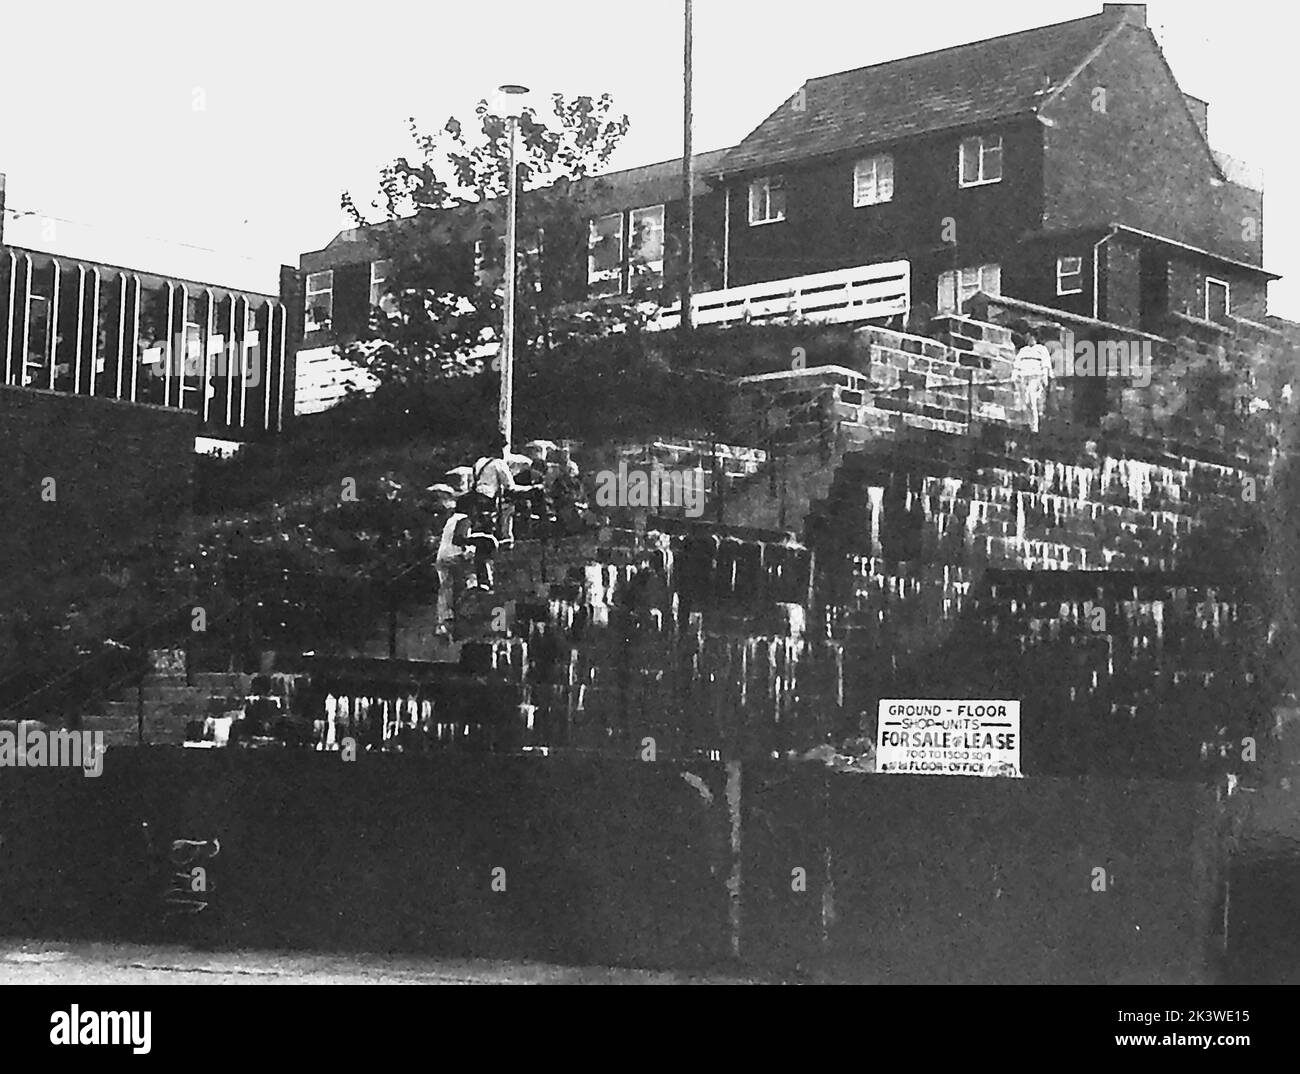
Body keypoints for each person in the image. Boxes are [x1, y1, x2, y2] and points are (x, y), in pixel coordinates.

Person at [431, 485, 472, 636]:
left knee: (445, 588)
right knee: (468, 580)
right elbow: (459, 538)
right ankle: (463, 615)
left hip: (441, 557)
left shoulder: (451, 520)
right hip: (454, 556)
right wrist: (471, 545)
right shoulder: (465, 519)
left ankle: (443, 622)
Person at [470, 435, 522, 547]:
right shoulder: (498, 463)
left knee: (478, 521)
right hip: (488, 497)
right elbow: (509, 485)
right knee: (506, 509)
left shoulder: (479, 462)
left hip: (476, 495)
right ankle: (505, 537)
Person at [1013, 326, 1054, 433]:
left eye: (1030, 337)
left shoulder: (1041, 349)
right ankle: (1029, 423)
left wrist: (1045, 377)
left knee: (1032, 399)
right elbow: (1017, 364)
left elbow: (1045, 364)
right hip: (1024, 377)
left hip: (1035, 377)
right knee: (1026, 401)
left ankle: (1035, 426)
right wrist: (1015, 374)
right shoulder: (1023, 350)